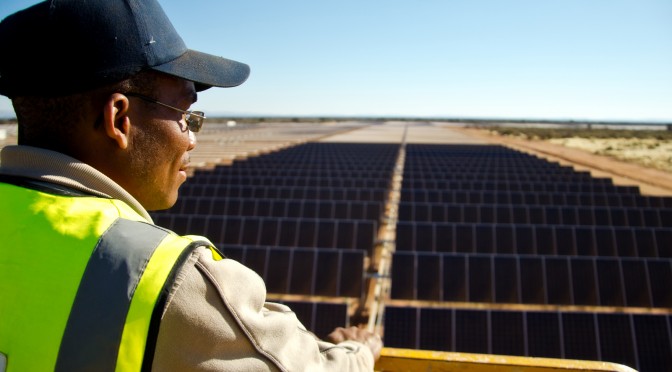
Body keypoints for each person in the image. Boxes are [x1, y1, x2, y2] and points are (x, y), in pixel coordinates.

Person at [0, 1, 382, 371]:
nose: (191, 139)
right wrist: (359, 352)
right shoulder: (164, 280)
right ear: (119, 119)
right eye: (185, 114)